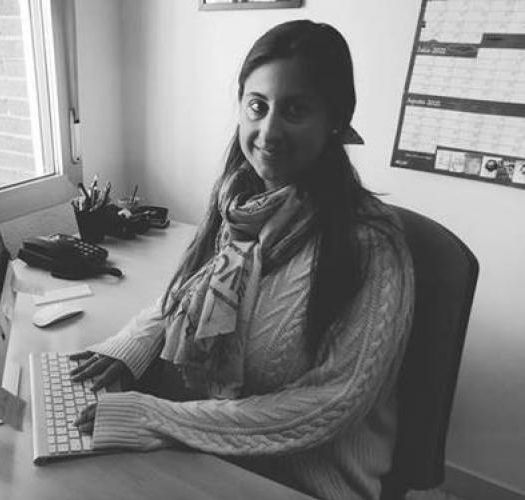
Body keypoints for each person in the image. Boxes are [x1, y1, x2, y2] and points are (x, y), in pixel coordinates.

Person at [71, 20, 414, 500]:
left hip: (304, 481)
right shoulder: (240, 204)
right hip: (211, 452)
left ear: (335, 120)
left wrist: (157, 416)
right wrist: (128, 348)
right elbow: (186, 295)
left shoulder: (372, 245)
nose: (268, 131)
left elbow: (331, 404)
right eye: (258, 106)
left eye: (295, 110)